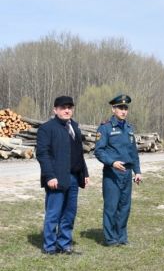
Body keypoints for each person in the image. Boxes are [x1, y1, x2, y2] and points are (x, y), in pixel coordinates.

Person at [35, 96, 90, 255]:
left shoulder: (74, 126)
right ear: (55, 110)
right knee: (54, 213)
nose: (67, 110)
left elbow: (78, 153)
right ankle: (50, 247)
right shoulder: (47, 128)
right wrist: (50, 176)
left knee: (69, 213)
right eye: (63, 107)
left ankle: (64, 244)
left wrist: (84, 173)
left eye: (69, 107)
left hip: (74, 177)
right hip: (56, 178)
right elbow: (42, 154)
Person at [94, 94, 142, 246]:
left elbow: (133, 153)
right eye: (120, 108)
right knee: (111, 206)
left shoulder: (129, 129)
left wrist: (137, 171)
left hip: (126, 173)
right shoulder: (105, 127)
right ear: (113, 109)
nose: (123, 111)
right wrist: (112, 162)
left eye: (125, 108)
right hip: (112, 173)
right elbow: (99, 151)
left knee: (124, 206)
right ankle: (110, 238)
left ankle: (121, 237)